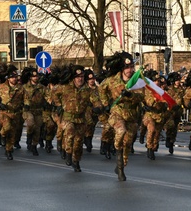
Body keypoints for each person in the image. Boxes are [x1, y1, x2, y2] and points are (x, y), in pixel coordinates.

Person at [99, 51, 144, 181]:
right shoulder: (112, 80)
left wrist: (131, 96)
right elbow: (101, 89)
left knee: (128, 143)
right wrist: (105, 103)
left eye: (131, 67)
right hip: (116, 112)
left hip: (131, 115)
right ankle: (117, 152)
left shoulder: (137, 81)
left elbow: (141, 96)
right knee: (121, 130)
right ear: (122, 68)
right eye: (127, 68)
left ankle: (120, 165)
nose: (129, 70)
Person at [51, 65, 92, 172]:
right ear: (73, 78)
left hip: (81, 119)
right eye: (78, 77)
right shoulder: (65, 87)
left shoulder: (87, 89)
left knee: (78, 142)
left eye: (82, 76)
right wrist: (58, 104)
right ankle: (68, 153)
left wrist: (98, 107)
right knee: (69, 133)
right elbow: (54, 92)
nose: (80, 79)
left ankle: (76, 161)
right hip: (67, 117)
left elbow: (95, 99)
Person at [0, 65, 25, 160]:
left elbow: (26, 98)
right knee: (7, 127)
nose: (14, 79)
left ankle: (9, 150)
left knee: (12, 133)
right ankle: (1, 135)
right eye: (12, 77)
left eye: (15, 77)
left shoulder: (21, 88)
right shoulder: (1, 87)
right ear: (8, 78)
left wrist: (26, 104)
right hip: (4, 112)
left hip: (16, 113)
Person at [21, 67, 45, 155]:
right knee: (31, 124)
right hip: (28, 110)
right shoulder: (24, 87)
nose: (36, 78)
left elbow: (48, 96)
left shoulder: (42, 87)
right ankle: (29, 136)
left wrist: (51, 102)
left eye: (37, 76)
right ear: (30, 77)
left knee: (38, 129)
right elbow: (20, 97)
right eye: (33, 76)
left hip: (38, 110)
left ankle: (34, 145)